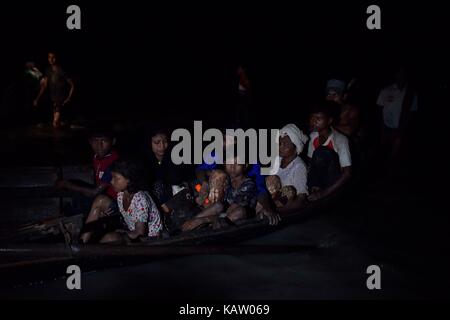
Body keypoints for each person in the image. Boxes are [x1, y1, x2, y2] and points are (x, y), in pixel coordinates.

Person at [195, 127, 280, 225]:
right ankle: (205, 212)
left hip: (240, 202)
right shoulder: (216, 154)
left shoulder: (249, 159)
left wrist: (267, 208)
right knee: (218, 175)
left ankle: (218, 220)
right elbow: (199, 170)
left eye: (230, 140)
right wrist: (205, 181)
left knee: (271, 182)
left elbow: (260, 188)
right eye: (223, 139)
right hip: (217, 200)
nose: (225, 143)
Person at [181, 154, 257, 232]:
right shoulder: (227, 179)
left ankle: (204, 225)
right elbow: (202, 172)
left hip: (238, 215)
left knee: (239, 212)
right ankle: (189, 224)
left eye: (237, 164)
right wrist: (205, 186)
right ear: (224, 163)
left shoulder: (248, 184)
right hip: (222, 214)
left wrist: (204, 220)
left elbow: (231, 209)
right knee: (218, 206)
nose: (232, 167)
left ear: (245, 165)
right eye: (229, 163)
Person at [99, 160, 162, 244]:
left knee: (110, 237)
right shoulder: (121, 195)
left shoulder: (140, 199)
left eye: (116, 178)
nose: (111, 181)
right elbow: (129, 216)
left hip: (151, 240)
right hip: (134, 235)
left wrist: (120, 233)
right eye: (112, 177)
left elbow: (140, 233)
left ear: (128, 179)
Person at [307, 101, 352, 202]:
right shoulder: (313, 136)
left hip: (335, 183)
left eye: (318, 118)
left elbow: (347, 173)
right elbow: (311, 164)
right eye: (312, 118)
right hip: (320, 182)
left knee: (322, 152)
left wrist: (323, 193)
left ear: (329, 120)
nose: (314, 121)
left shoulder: (340, 139)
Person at [376, 68, 418, 166]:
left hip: (400, 129)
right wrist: (381, 126)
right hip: (385, 127)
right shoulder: (385, 90)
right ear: (395, 75)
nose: (401, 76)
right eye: (399, 74)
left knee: (394, 156)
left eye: (404, 74)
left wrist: (404, 128)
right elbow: (379, 109)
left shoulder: (411, 93)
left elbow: (412, 113)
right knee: (381, 152)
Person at [267, 124, 309, 214]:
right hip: (271, 199)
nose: (281, 147)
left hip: (283, 205)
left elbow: (301, 197)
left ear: (295, 148)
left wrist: (281, 211)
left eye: (286, 144)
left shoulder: (299, 167)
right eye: (280, 143)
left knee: (289, 190)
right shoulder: (277, 160)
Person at [33, 51, 75, 128]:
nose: (51, 59)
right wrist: (37, 98)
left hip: (61, 99)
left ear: (56, 58)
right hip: (53, 99)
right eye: (49, 57)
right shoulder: (47, 70)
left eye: (53, 57)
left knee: (55, 123)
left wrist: (69, 98)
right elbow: (44, 86)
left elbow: (72, 85)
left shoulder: (62, 71)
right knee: (56, 123)